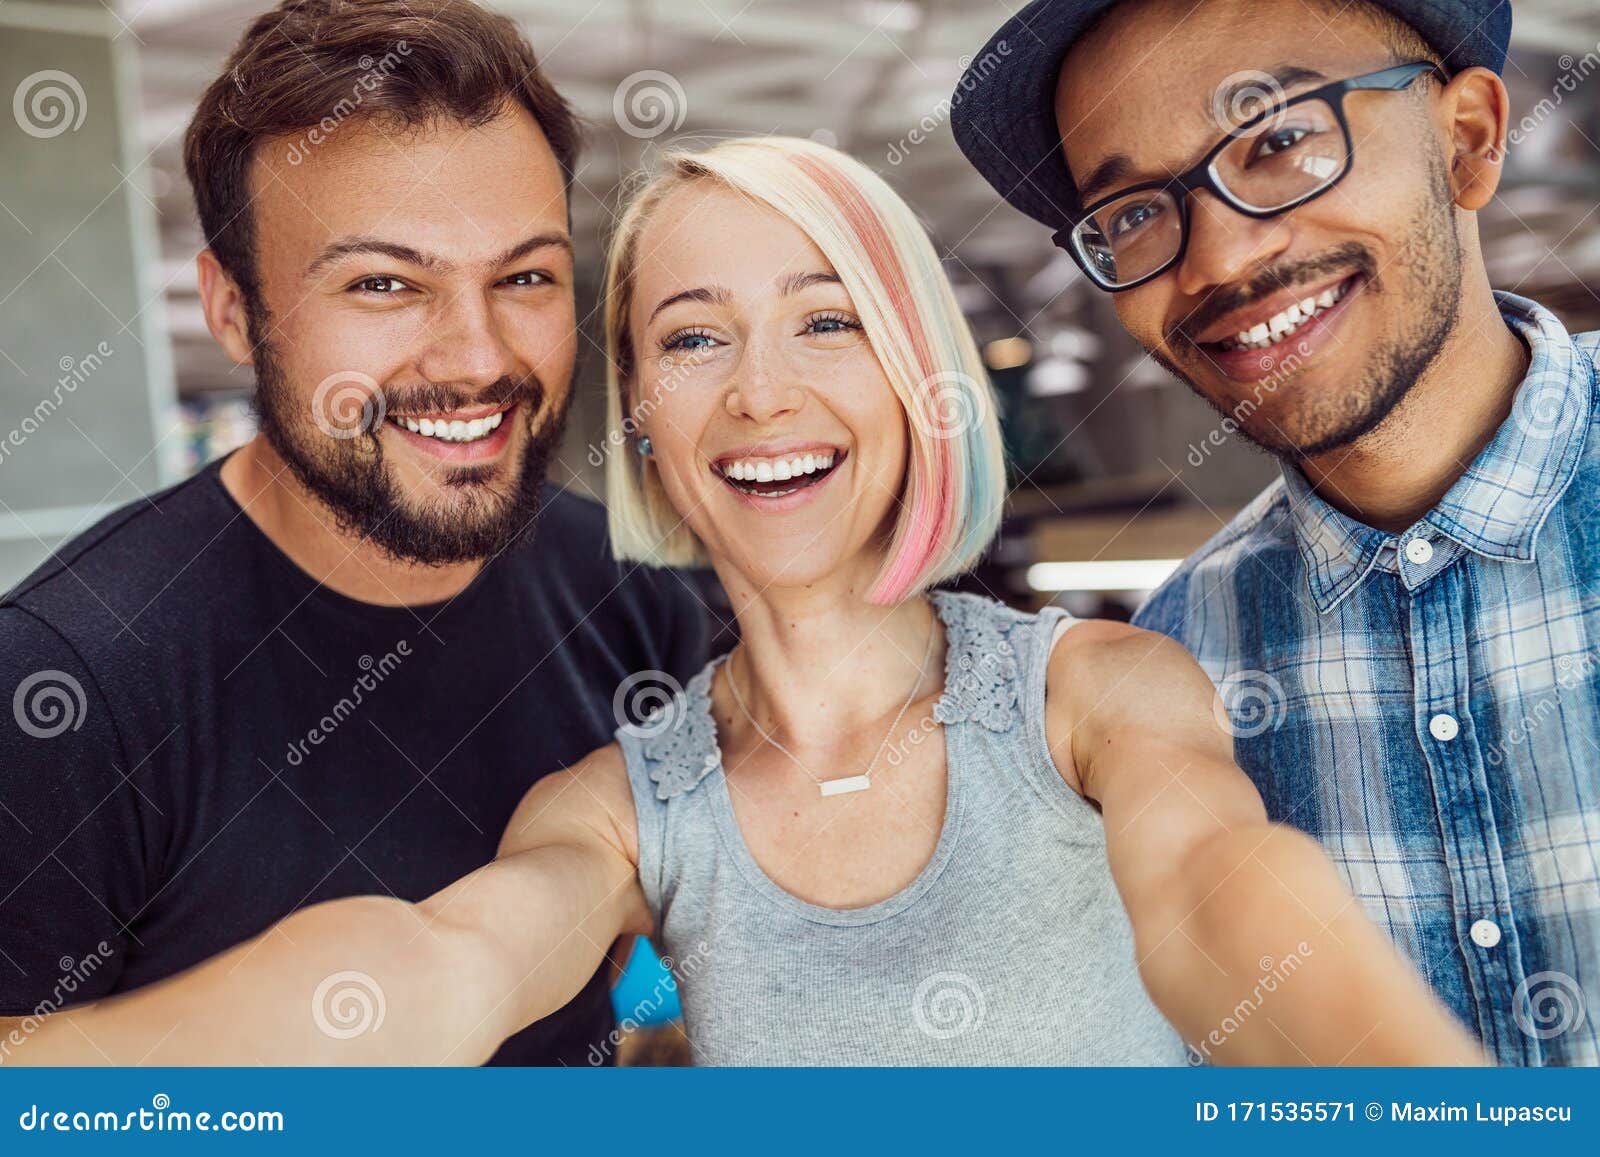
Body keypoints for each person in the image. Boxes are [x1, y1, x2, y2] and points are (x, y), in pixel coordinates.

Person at [8, 136, 1483, 1067]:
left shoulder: (1096, 692)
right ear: (642, 409)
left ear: (918, 379)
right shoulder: (622, 798)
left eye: (827, 320)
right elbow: (428, 968)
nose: (763, 391)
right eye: (693, 336)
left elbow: (1226, 901)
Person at [0, 0, 707, 1066]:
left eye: (523, 276)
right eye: (384, 283)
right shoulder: (68, 683)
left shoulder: (638, 589)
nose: (475, 356)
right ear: (234, 308)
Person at [950, 0, 1597, 1065]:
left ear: (1467, 140)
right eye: (1130, 213)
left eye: (1281, 140)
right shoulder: (1174, 674)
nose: (1214, 260)